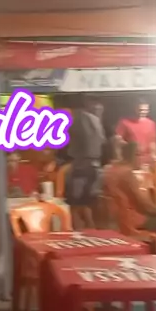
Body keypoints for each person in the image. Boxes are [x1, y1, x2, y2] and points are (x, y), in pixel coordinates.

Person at [104, 142, 156, 238]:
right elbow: (143, 206)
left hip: (113, 218)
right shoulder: (127, 173)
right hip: (130, 220)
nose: (142, 159)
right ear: (133, 156)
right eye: (140, 155)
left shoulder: (111, 168)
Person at [65, 96, 106, 226]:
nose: (98, 108)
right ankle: (87, 229)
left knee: (78, 203)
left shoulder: (83, 118)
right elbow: (102, 141)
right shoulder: (90, 119)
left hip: (84, 165)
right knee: (83, 203)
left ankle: (81, 231)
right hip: (91, 165)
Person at [115, 98, 156, 165]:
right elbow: (117, 141)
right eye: (140, 110)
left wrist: (155, 155)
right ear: (135, 108)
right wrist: (119, 157)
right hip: (131, 159)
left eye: (145, 110)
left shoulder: (151, 123)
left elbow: (153, 142)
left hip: (147, 159)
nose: (143, 112)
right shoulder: (124, 122)